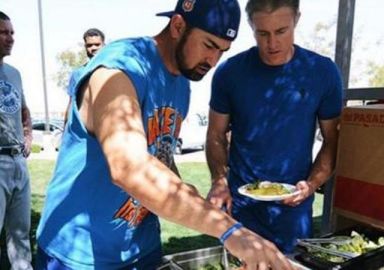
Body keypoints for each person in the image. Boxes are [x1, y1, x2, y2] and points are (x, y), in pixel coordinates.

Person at [36, 0, 294, 269]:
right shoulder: (117, 69)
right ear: (178, 25)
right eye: (208, 45)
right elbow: (129, 167)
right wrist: (229, 230)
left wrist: (192, 200)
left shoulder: (182, 81)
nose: (213, 61)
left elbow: (159, 155)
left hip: (141, 245)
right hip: (79, 253)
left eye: (222, 51)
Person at [206, 0, 344, 254]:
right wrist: (219, 180)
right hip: (240, 206)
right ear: (251, 26)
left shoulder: (322, 72)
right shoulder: (229, 72)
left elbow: (332, 140)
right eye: (262, 33)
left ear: (296, 20)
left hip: (293, 210)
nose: (272, 44)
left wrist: (312, 184)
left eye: (281, 31)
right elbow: (215, 134)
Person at [0, 11, 33, 270]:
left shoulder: (15, 73)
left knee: (20, 233)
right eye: (3, 32)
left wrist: (29, 135)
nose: (10, 38)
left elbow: (24, 110)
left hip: (18, 162)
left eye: (12, 32)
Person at [63, 28, 105, 124]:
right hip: (84, 132)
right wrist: (65, 131)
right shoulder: (77, 74)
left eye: (97, 44)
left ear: (104, 45)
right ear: (85, 47)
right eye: (89, 45)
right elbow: (71, 104)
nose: (93, 48)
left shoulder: (114, 71)